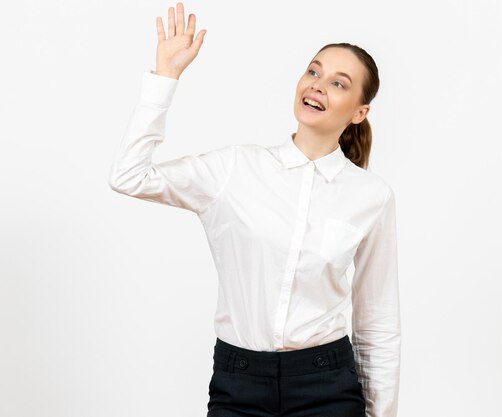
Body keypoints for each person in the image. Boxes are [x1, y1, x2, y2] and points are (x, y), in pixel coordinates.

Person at [108, 2, 401, 417]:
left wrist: (381, 413)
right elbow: (129, 176)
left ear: (359, 112)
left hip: (327, 384)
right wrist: (165, 78)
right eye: (314, 71)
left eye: (338, 83)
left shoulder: (370, 196)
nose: (317, 85)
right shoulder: (234, 169)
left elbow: (377, 320)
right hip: (239, 381)